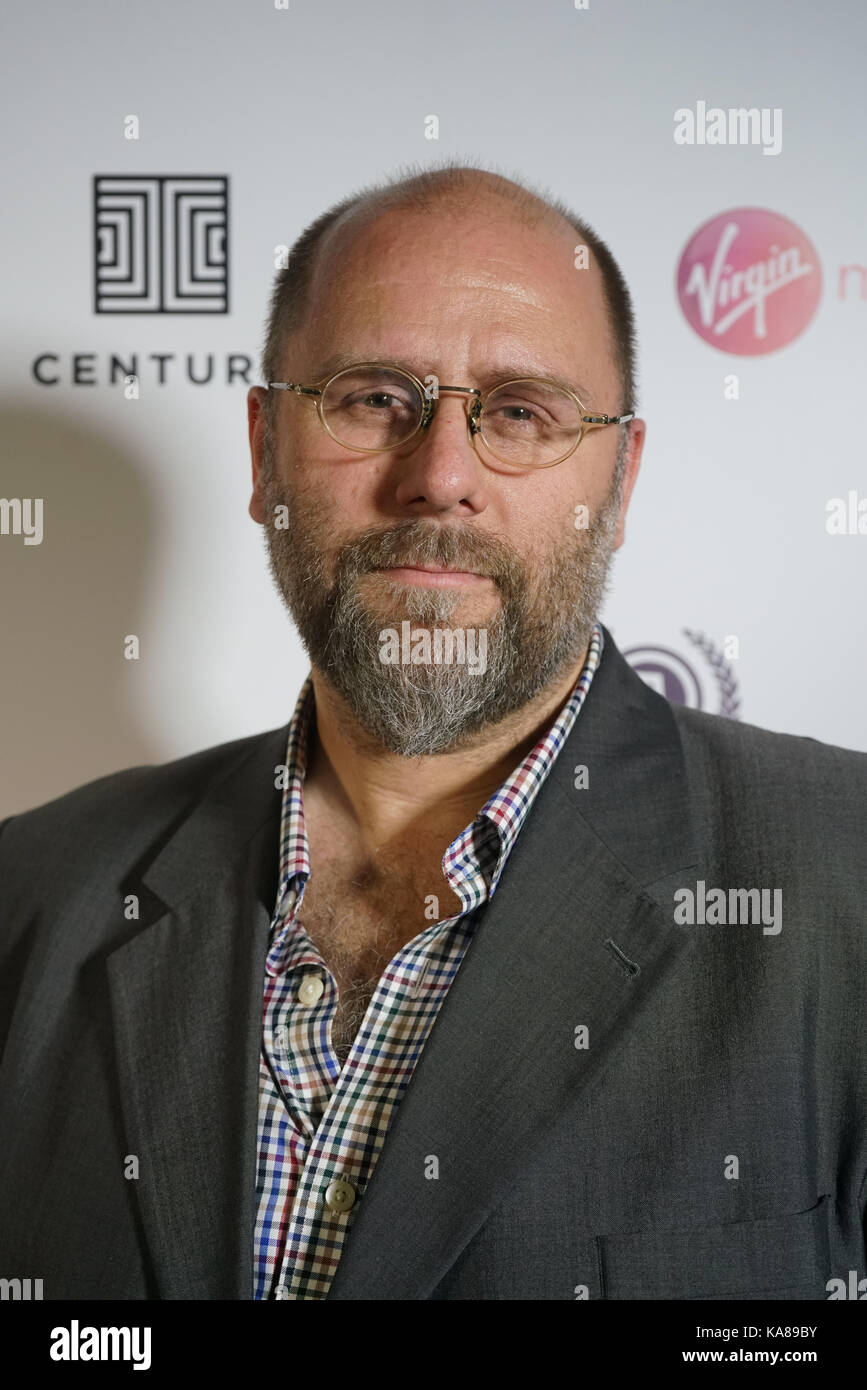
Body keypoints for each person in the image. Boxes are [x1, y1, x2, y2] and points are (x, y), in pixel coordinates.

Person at [1, 160, 865, 1302]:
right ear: (264, 451)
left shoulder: (844, 873)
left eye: (521, 411)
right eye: (372, 398)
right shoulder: (32, 890)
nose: (441, 476)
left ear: (619, 482)